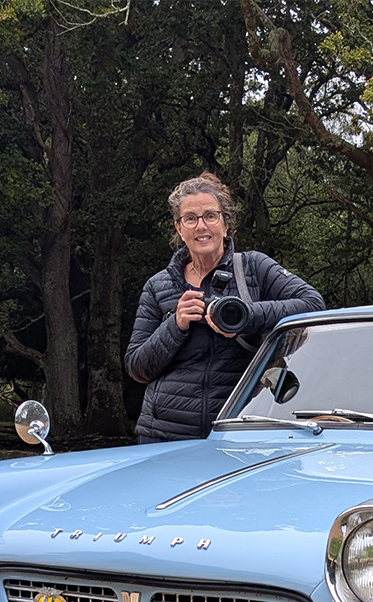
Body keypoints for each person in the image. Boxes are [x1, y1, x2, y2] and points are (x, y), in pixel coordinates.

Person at [124, 172, 326, 443]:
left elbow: (313, 304)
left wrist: (246, 317)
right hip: (164, 435)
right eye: (190, 219)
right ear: (179, 229)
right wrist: (175, 324)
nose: (201, 226)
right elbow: (137, 368)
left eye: (210, 216)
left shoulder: (254, 268)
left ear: (226, 224)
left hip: (240, 428)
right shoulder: (158, 285)